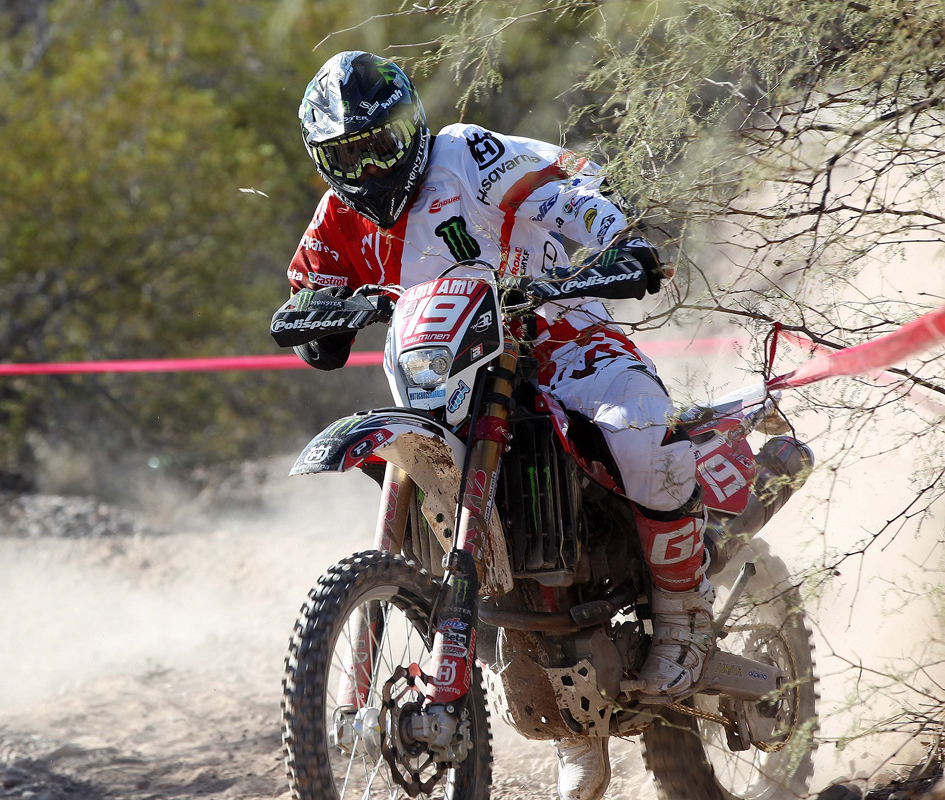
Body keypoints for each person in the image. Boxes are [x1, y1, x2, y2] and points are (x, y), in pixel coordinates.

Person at [285, 51, 712, 800]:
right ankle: (562, 709)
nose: (371, 167)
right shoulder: (339, 216)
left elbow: (567, 183)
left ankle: (683, 619)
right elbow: (309, 290)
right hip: (444, 381)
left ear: (412, 126)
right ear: (326, 162)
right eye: (349, 156)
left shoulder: (465, 155)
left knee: (641, 431)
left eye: (382, 144)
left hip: (555, 337)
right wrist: (314, 316)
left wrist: (615, 238)